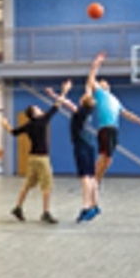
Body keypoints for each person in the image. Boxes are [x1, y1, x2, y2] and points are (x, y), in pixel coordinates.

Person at [80, 52, 140, 205]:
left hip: (114, 130)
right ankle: (94, 183)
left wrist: (139, 121)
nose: (103, 82)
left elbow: (126, 114)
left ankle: (97, 180)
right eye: (101, 82)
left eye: (105, 82)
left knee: (108, 160)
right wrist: (96, 64)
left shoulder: (116, 100)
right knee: (104, 157)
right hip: (105, 129)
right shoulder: (100, 94)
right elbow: (91, 79)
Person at [45, 80, 98, 223]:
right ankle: (95, 205)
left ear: (82, 102)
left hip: (81, 146)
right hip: (90, 146)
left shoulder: (79, 111)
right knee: (92, 177)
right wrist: (94, 70)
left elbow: (65, 102)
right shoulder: (89, 110)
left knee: (85, 177)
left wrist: (57, 93)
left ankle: (86, 207)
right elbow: (88, 93)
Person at [0, 101, 59, 224]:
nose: (39, 108)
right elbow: (56, 106)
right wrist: (64, 91)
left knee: (27, 184)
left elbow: (13, 132)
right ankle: (46, 212)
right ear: (34, 114)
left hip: (32, 158)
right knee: (47, 185)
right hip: (42, 158)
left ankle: (18, 207)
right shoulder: (42, 120)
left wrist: (5, 125)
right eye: (36, 108)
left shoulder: (29, 125)